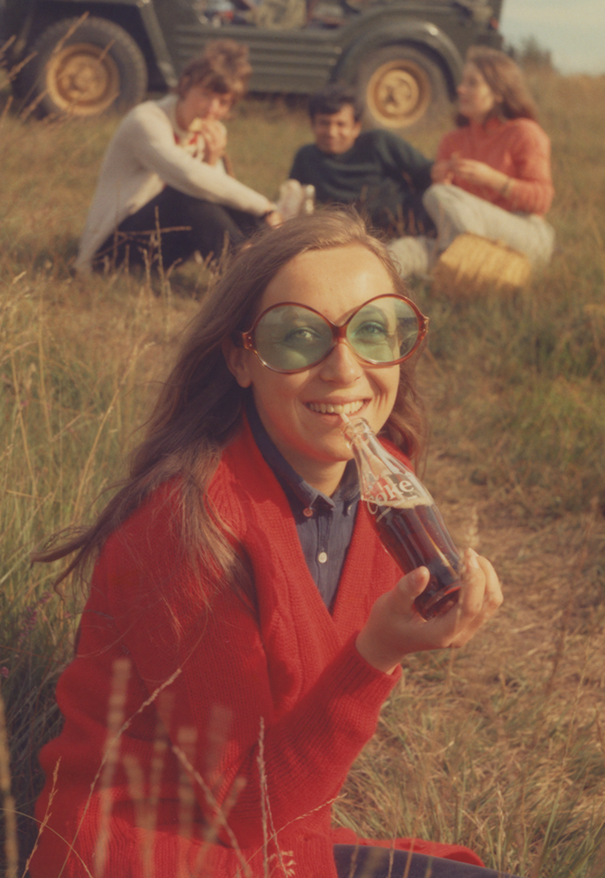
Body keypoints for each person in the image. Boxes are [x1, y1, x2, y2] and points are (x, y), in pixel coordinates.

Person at [31, 209, 509, 878]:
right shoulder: (187, 523)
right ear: (241, 357)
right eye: (297, 337)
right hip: (146, 847)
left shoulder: (386, 484)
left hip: (276, 832)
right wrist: (378, 654)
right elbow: (248, 808)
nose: (344, 369)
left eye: (373, 329)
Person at [73, 40, 278, 274]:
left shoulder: (211, 130)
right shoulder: (146, 120)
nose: (212, 109)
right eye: (206, 94)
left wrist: (212, 159)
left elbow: (217, 193)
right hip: (113, 247)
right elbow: (188, 177)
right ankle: (243, 278)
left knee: (230, 204)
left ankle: (271, 264)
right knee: (187, 196)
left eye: (223, 102)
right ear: (185, 85)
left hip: (166, 245)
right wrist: (265, 206)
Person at [391, 49, 554, 279]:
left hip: (525, 233)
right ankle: (468, 268)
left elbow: (542, 200)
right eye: (462, 82)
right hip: (466, 236)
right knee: (399, 251)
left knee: (439, 195)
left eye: (472, 83)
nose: (460, 89)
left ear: (498, 93)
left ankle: (461, 268)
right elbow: (452, 209)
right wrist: (444, 182)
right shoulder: (452, 140)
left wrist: (492, 179)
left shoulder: (524, 132)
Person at [286, 84, 435, 237]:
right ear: (313, 125)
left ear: (356, 127)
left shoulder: (379, 143)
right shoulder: (306, 157)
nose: (331, 132)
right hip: (347, 236)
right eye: (324, 123)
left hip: (405, 228)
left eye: (341, 124)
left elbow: (427, 173)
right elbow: (291, 202)